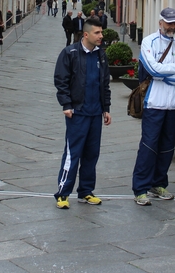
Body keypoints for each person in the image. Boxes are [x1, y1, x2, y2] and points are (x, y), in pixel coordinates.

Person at [131, 8, 175, 205]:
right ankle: (140, 188)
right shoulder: (149, 42)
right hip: (153, 103)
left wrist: (164, 73)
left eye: (174, 23)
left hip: (172, 105)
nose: (172, 26)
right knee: (148, 146)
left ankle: (158, 184)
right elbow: (151, 69)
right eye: (168, 23)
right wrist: (173, 69)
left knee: (166, 147)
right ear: (160, 23)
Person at [53, 17, 112, 209]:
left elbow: (105, 84)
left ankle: (86, 191)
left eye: (101, 32)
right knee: (73, 153)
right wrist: (66, 105)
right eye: (97, 33)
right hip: (77, 113)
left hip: (95, 113)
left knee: (91, 154)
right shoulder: (69, 53)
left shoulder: (101, 55)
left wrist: (106, 108)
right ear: (86, 34)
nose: (101, 36)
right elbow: (61, 81)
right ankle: (63, 193)